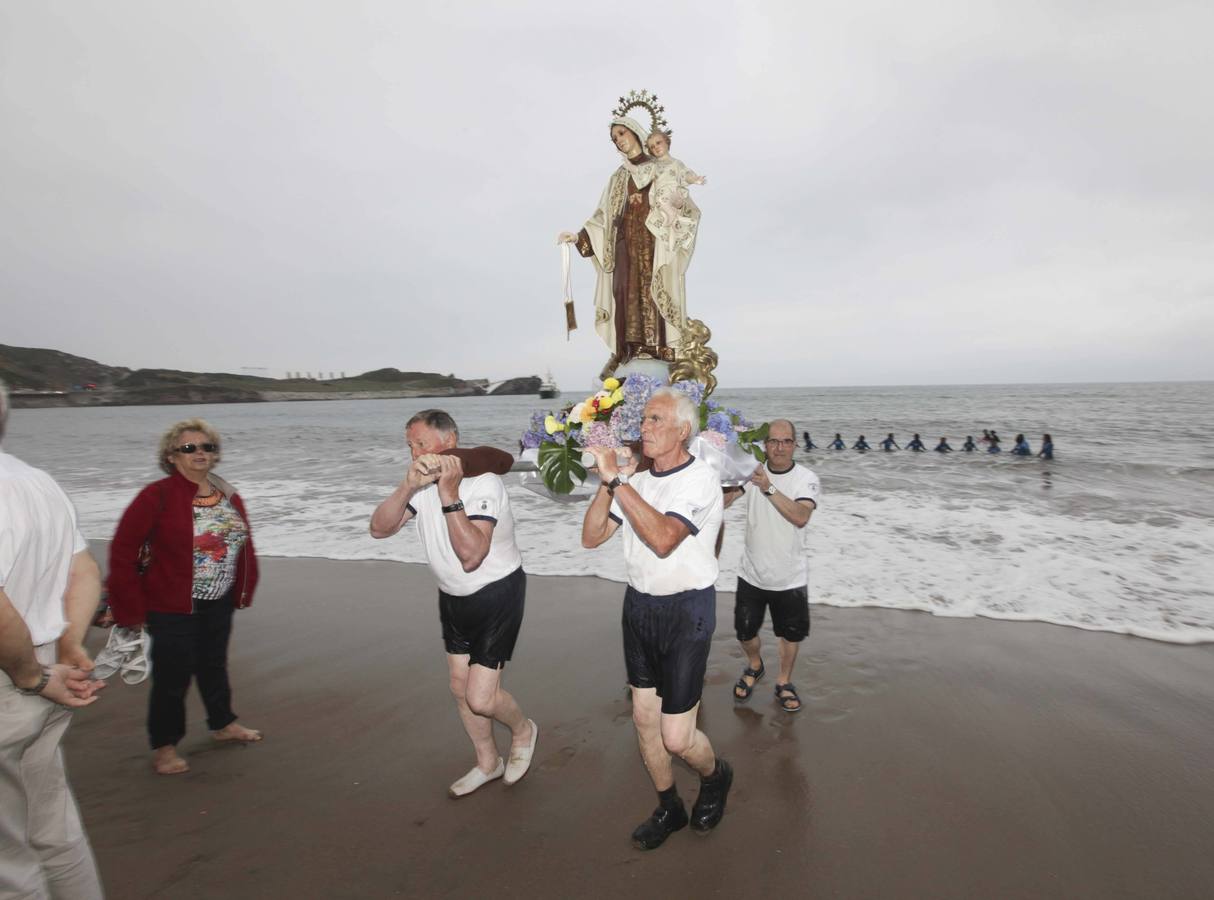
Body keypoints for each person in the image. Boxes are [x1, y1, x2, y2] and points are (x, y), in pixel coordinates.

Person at [581, 388, 731, 850]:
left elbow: (665, 538)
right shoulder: (637, 482)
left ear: (683, 431)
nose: (644, 428)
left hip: (686, 612)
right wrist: (609, 483)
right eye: (643, 420)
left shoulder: (700, 480)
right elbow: (590, 538)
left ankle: (716, 775)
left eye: (656, 420)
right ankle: (669, 806)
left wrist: (621, 483)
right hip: (639, 609)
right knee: (645, 722)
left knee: (677, 737)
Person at [370, 410, 537, 798]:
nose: (414, 453)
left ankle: (524, 729)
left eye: (421, 444)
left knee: (482, 698)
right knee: (460, 688)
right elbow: (379, 529)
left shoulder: (484, 484)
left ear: (448, 443)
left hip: (496, 592)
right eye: (410, 445)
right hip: (453, 596)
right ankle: (487, 762)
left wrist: (448, 492)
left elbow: (472, 555)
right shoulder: (422, 484)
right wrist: (406, 488)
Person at [0, 379, 106, 899]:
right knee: (53, 830)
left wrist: (34, 676)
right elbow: (83, 571)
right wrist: (68, 645)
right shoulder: (34, 480)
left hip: (15, 674)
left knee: (7, 858)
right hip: (45, 663)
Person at [108, 419, 262, 775]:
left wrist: (244, 586)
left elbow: (243, 544)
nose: (200, 454)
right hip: (172, 603)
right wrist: (128, 607)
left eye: (207, 447)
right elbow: (123, 550)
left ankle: (223, 723)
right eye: (189, 448)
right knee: (172, 676)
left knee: (213, 665)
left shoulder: (226, 492)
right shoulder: (156, 495)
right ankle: (164, 747)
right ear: (171, 455)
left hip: (218, 601)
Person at [558, 109, 690, 377]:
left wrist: (654, 205)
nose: (618, 140)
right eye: (613, 138)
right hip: (622, 246)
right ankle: (628, 348)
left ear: (635, 132)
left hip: (652, 244)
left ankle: (654, 347)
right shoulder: (618, 177)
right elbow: (603, 217)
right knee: (624, 294)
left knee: (652, 292)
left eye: (621, 133)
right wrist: (578, 237)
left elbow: (678, 200)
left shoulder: (659, 168)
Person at [722, 419, 819, 715]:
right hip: (751, 572)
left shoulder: (805, 478)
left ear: (795, 444)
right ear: (765, 444)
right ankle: (755, 665)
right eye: (773, 441)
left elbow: (801, 515)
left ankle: (784, 682)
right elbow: (724, 501)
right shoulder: (751, 472)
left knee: (790, 635)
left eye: (786, 441)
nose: (779, 447)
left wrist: (768, 487)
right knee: (744, 632)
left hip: (789, 576)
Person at [621, 130, 705, 253]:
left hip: (672, 191)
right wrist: (628, 164)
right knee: (660, 218)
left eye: (658, 143)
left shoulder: (676, 163)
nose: (656, 148)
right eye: (652, 147)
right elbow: (640, 171)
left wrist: (695, 179)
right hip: (661, 195)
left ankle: (672, 217)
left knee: (664, 205)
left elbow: (685, 174)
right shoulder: (654, 165)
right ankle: (672, 237)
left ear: (667, 142)